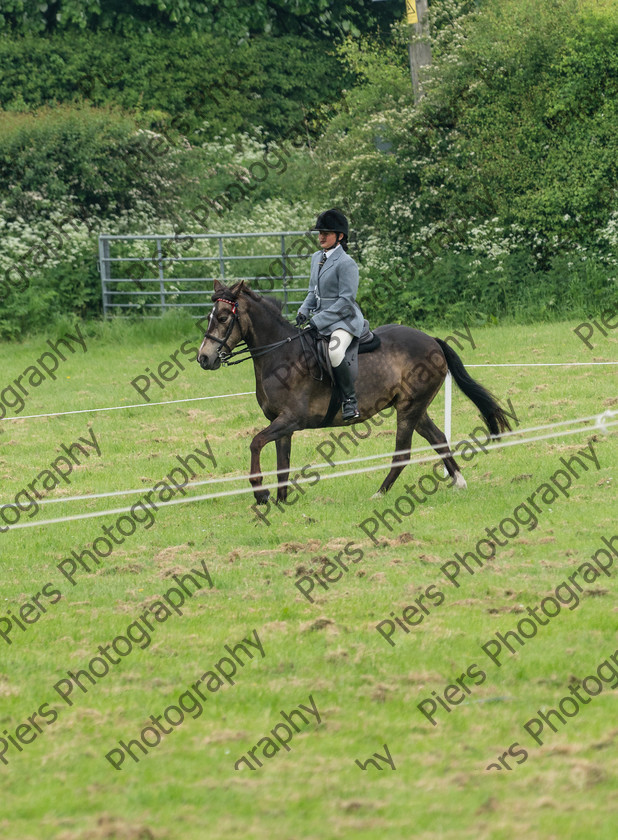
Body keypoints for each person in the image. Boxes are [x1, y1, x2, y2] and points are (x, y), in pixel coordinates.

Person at [295, 208, 364, 422]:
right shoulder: (317, 257)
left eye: (326, 233)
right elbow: (312, 292)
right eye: (319, 232)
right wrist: (303, 311)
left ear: (340, 236)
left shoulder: (346, 263)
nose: (321, 237)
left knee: (334, 352)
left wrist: (318, 320)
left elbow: (345, 302)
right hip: (320, 319)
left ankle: (350, 401)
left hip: (344, 320)